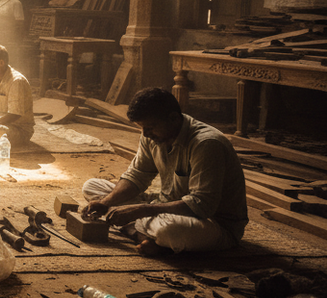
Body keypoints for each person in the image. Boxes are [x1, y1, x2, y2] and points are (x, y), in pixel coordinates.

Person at [81, 87, 248, 256]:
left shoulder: (206, 144)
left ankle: (143, 233)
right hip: (165, 206)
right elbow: (137, 175)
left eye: (151, 127)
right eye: (142, 128)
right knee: (92, 186)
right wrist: (106, 203)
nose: (146, 134)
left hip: (212, 223)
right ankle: (146, 236)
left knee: (169, 232)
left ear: (174, 118)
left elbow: (201, 205)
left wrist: (141, 210)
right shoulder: (151, 135)